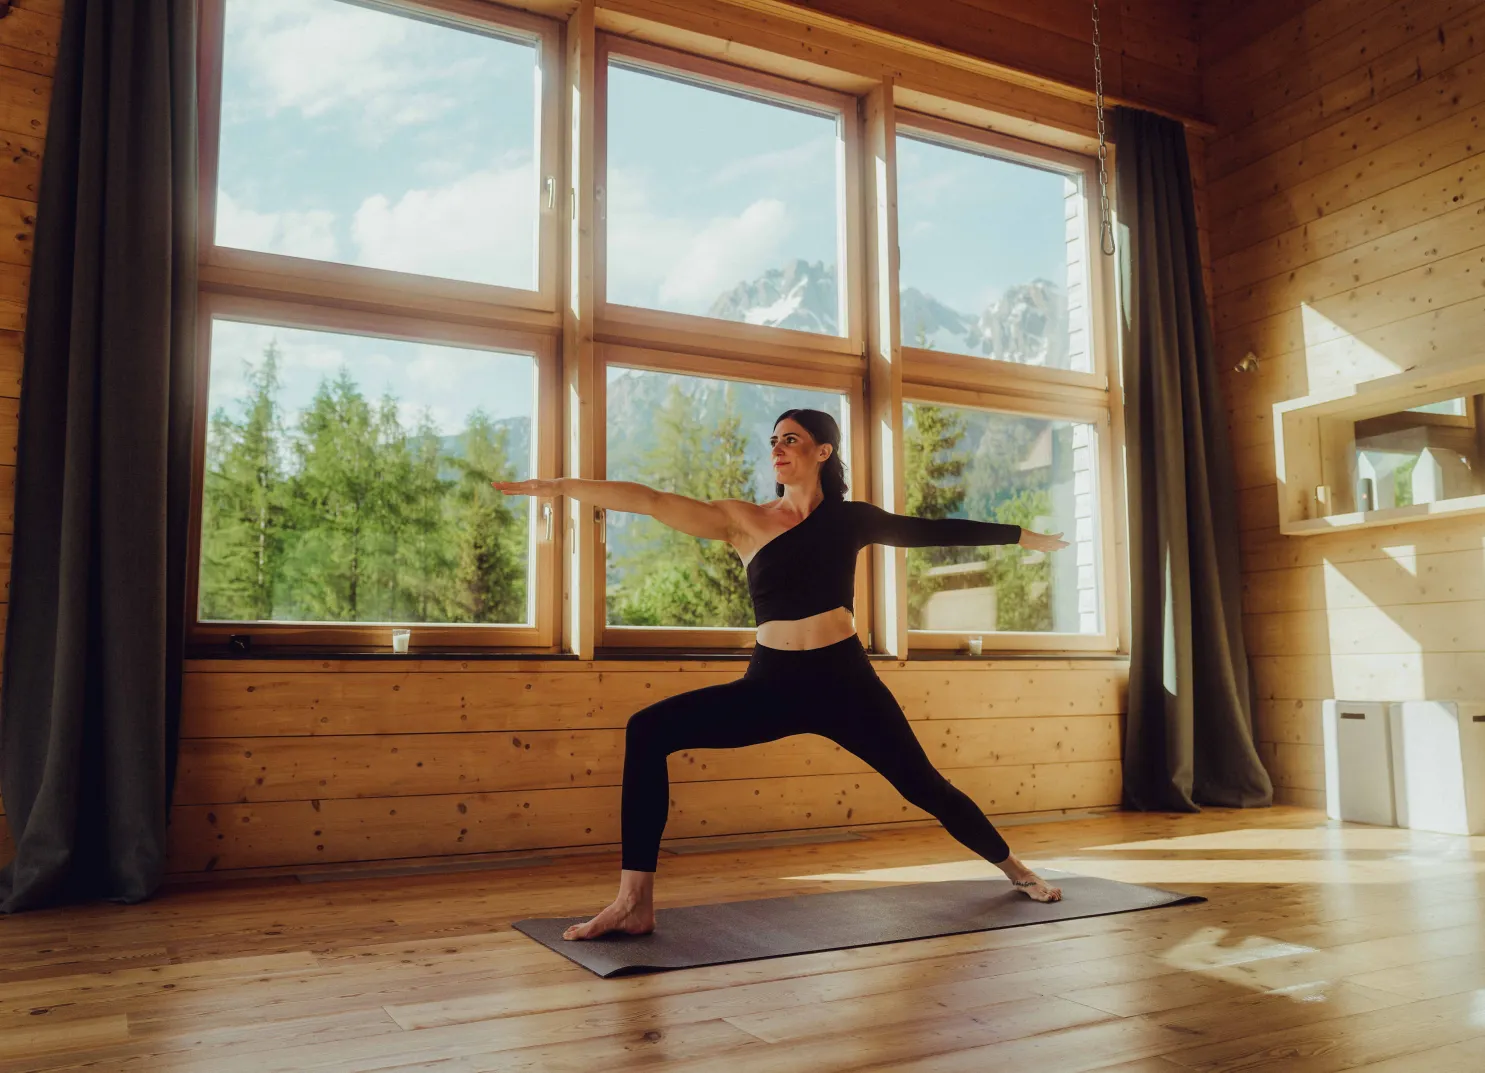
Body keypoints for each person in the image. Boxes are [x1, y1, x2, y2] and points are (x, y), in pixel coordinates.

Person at [492, 408, 1070, 941]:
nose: (777, 448)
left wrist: (1019, 536)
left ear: (824, 451)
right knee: (647, 730)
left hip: (845, 683)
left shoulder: (851, 520)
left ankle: (1014, 869)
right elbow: (649, 499)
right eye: (773, 441)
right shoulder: (743, 520)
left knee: (924, 785)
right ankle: (633, 902)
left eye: (790, 439)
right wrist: (562, 488)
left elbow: (929, 530)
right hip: (773, 684)